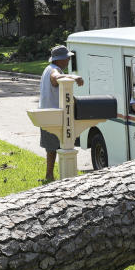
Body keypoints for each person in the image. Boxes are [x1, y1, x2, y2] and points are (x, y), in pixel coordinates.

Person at [40, 45, 84, 181]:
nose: (69, 61)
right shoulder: (54, 70)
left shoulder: (48, 68)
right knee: (58, 146)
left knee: (51, 148)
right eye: (67, 58)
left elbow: (58, 92)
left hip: (47, 114)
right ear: (60, 59)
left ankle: (49, 175)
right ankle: (54, 175)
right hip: (53, 114)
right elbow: (56, 78)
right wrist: (73, 77)